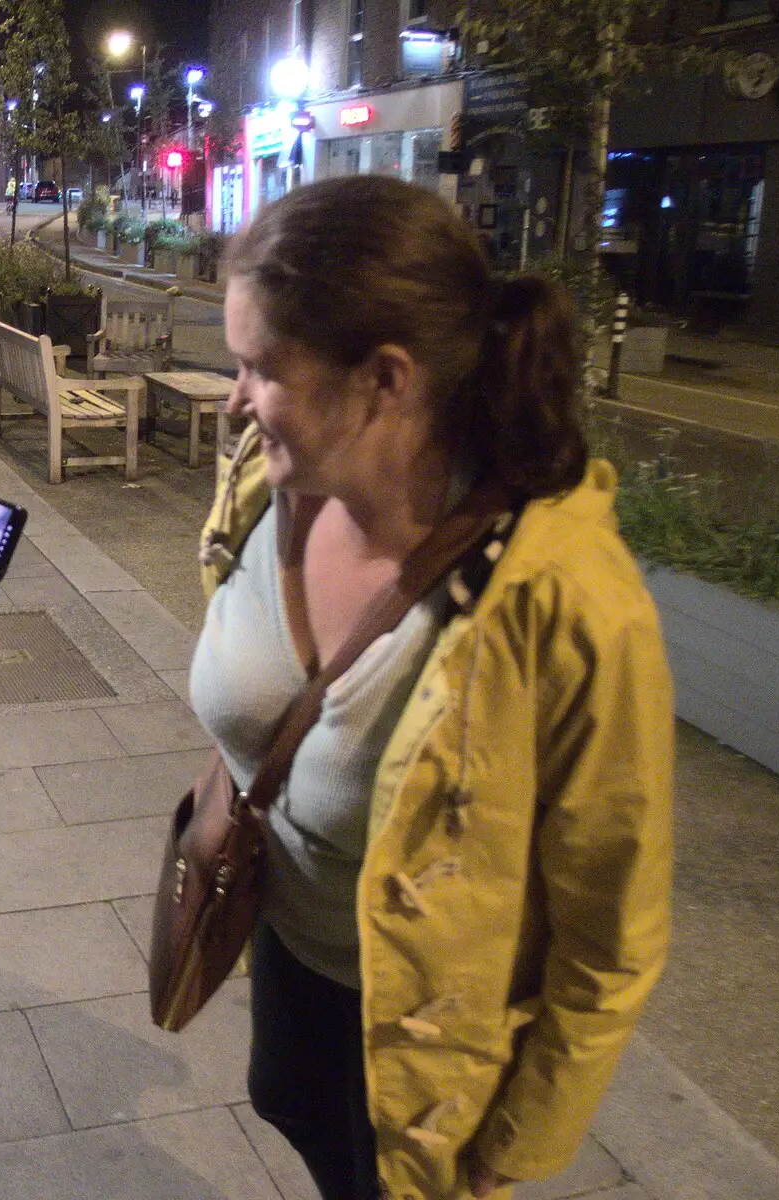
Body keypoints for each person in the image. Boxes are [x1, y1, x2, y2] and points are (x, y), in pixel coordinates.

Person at [190, 176, 674, 1200]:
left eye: (259, 367)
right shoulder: (265, 478)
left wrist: (506, 1148)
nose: (233, 398)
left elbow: (611, 933)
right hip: (289, 958)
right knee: (301, 1120)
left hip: (421, 1058)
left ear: (385, 379)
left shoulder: (566, 604)